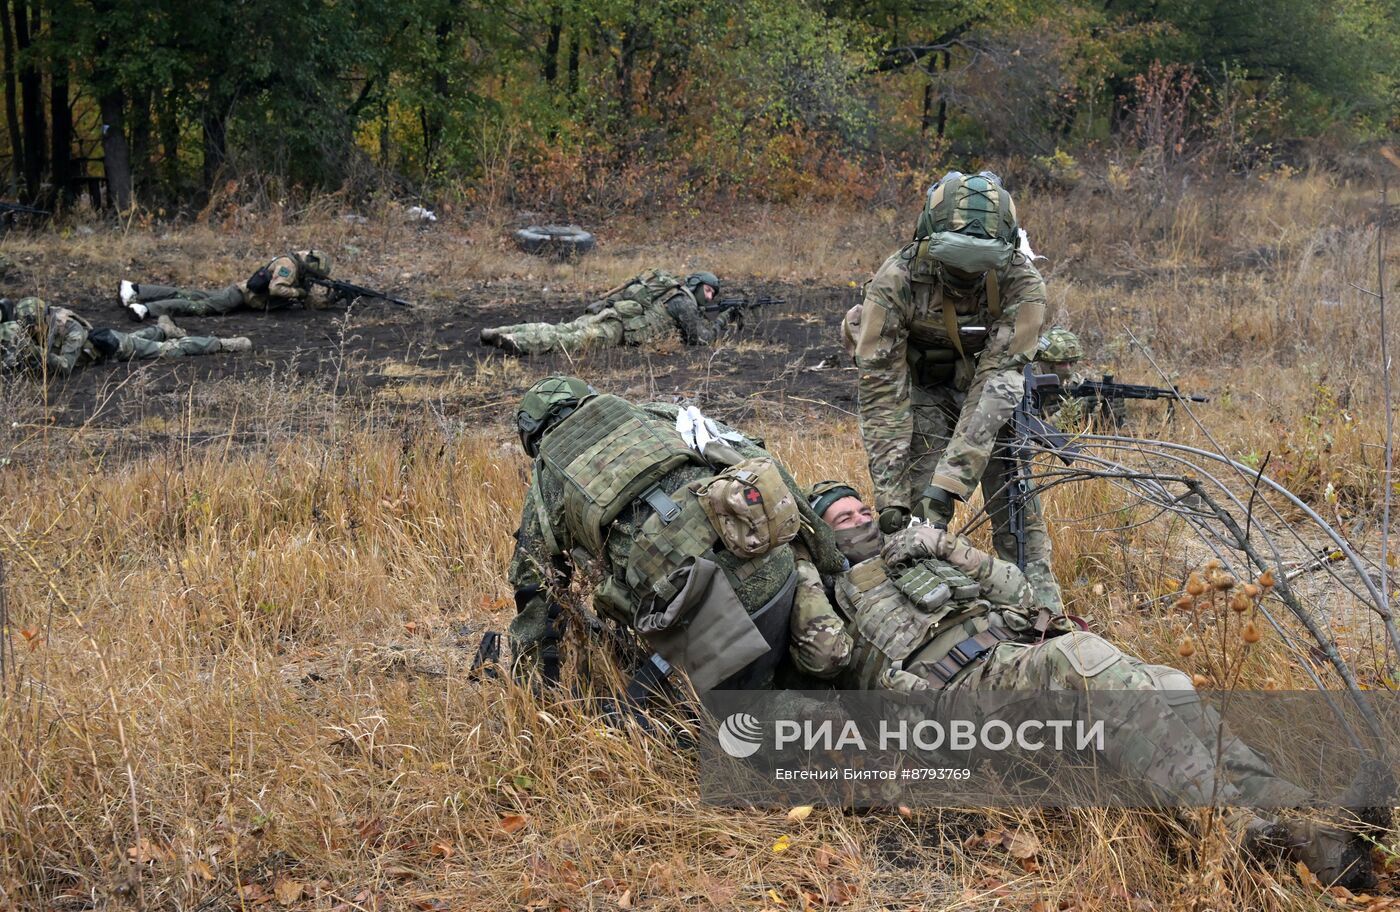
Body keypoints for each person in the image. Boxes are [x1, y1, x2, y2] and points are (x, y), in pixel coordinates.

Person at [803, 479, 1383, 891]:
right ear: (825, 539)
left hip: (1013, 659)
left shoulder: (919, 555)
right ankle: (1227, 831)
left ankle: (1316, 835)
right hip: (962, 697)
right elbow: (829, 659)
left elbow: (1018, 591)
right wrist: (810, 573)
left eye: (861, 510)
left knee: (1169, 682)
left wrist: (946, 547)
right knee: (1078, 658)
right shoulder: (833, 597)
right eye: (841, 519)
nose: (859, 521)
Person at [504, 375, 847, 690]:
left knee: (745, 714)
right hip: (773, 568)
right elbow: (761, 464)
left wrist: (535, 685)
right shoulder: (658, 414)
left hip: (704, 623)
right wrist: (829, 560)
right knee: (816, 659)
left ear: (532, 438)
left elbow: (534, 585)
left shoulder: (547, 480)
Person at [846, 171, 1062, 612]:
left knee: (1021, 526)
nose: (966, 274)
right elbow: (883, 392)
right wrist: (891, 495)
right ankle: (921, 625)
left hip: (990, 400)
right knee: (911, 521)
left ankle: (1044, 623)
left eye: (980, 263)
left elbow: (996, 384)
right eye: (955, 261)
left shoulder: (1022, 283)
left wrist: (951, 482)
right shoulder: (898, 278)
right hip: (920, 390)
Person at [481, 269, 738, 356]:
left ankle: (502, 331)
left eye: (713, 294)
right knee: (567, 340)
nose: (710, 297)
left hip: (612, 313)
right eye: (708, 291)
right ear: (696, 286)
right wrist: (724, 320)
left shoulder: (672, 289)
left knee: (562, 327)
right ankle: (516, 341)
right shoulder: (684, 302)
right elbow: (701, 339)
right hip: (619, 327)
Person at [0, 297, 249, 375]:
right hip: (106, 342)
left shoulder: (69, 328)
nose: (29, 332)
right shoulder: (28, 325)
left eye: (33, 327)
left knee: (167, 350)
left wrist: (33, 351)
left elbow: (65, 367)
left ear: (44, 319)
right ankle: (162, 328)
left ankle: (222, 343)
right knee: (141, 336)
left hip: (112, 347)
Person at [120, 249, 335, 320]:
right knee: (200, 307)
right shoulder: (288, 265)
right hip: (240, 296)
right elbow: (276, 289)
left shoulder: (295, 266)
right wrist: (298, 292)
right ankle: (146, 309)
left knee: (190, 294)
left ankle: (135, 289)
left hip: (243, 295)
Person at [1034, 328, 1126, 429]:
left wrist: (1109, 414)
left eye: (1072, 362)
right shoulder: (1025, 382)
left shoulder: (1078, 384)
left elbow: (1090, 431)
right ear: (1044, 363)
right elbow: (1031, 431)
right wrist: (1073, 410)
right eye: (1061, 363)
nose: (1068, 368)